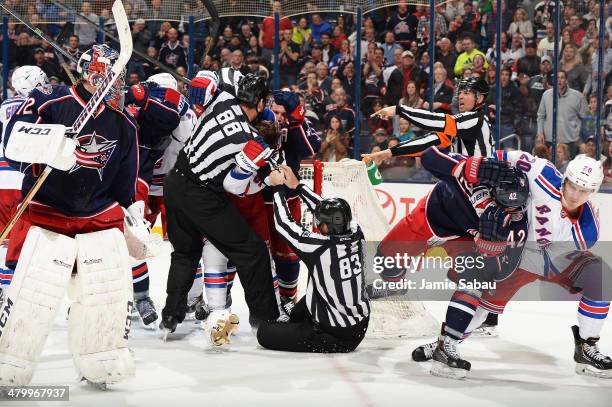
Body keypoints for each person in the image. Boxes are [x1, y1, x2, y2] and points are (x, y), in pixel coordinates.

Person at [1, 44, 138, 388]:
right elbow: (12, 141)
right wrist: (48, 145)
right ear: (93, 75)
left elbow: (125, 183)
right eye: (112, 77)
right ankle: (11, 359)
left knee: (103, 291)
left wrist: (135, 220)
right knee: (35, 290)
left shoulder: (123, 124)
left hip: (98, 216)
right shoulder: (50, 98)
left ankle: (100, 355)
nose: (118, 85)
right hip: (47, 212)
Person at [414, 151, 610, 379]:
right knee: (481, 308)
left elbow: (554, 260)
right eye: (572, 185)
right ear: (565, 178)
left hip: (553, 261)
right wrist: (476, 168)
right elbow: (501, 157)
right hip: (519, 252)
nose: (575, 194)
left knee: (601, 277)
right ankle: (445, 343)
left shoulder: (589, 230)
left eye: (584, 190)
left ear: (594, 192)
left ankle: (587, 346)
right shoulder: (542, 172)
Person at [159, 73, 280, 336]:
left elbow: (202, 85)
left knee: (185, 253)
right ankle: (266, 322)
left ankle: (171, 315)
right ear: (259, 103)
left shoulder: (223, 98)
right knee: (253, 251)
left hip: (174, 181)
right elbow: (233, 186)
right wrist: (269, 179)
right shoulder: (252, 140)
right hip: (202, 196)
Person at [256, 165, 369, 353]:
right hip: (360, 322)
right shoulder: (357, 232)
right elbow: (326, 209)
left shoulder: (318, 247)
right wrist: (298, 186)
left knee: (265, 333)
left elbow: (284, 225)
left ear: (325, 228)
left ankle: (313, 330)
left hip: (335, 336)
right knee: (298, 310)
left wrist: (277, 188)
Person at [0, 66, 49, 308]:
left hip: (1, 176)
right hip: (24, 175)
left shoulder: (4, 106)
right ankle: (14, 290)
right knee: (20, 237)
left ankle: (4, 288)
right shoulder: (40, 104)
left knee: (3, 238)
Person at [364, 76, 493, 159]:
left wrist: (399, 109)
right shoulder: (462, 124)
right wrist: (390, 152)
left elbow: (436, 121)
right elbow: (428, 142)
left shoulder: (475, 119)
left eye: (466, 93)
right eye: (460, 93)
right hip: (464, 185)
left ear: (480, 98)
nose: (460, 96)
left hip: (478, 185)